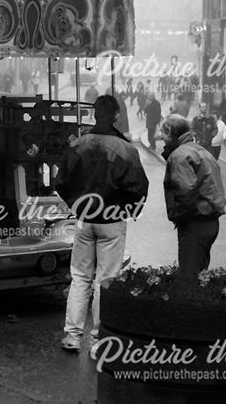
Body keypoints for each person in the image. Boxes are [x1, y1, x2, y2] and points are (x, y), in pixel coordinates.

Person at [55, 95, 149, 353]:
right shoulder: (126, 149)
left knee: (79, 278)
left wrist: (77, 205)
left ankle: (72, 337)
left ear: (94, 114)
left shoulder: (79, 145)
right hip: (112, 220)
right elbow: (138, 187)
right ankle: (98, 341)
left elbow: (61, 182)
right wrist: (128, 209)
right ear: (116, 116)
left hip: (85, 219)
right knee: (105, 280)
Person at [160, 115, 225, 292]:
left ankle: (190, 316)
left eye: (162, 133)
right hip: (210, 221)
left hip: (195, 222)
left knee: (188, 278)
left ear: (169, 131)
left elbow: (185, 192)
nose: (161, 138)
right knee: (201, 275)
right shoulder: (200, 151)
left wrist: (178, 217)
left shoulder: (180, 155)